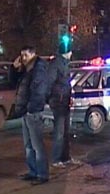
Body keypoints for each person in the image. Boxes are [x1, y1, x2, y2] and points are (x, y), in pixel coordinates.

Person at [9, 45, 50, 185]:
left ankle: (42, 174)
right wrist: (13, 68)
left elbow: (39, 91)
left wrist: (31, 108)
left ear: (33, 54)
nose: (23, 58)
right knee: (28, 145)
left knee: (37, 145)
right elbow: (13, 83)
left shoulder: (38, 69)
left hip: (33, 112)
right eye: (21, 55)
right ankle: (33, 171)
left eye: (25, 55)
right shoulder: (26, 70)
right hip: (25, 111)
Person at [47, 40, 77, 169]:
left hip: (64, 100)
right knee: (60, 131)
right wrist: (52, 98)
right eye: (70, 51)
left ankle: (65, 157)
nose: (71, 54)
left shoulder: (64, 64)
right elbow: (50, 82)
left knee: (65, 131)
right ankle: (56, 159)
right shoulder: (56, 64)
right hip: (59, 101)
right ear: (66, 52)